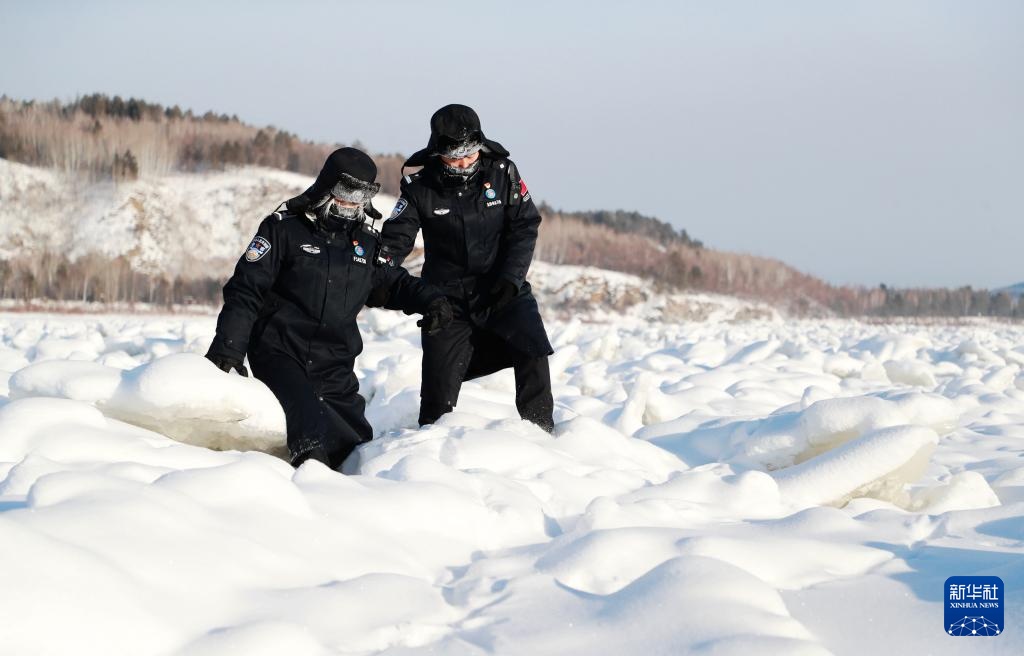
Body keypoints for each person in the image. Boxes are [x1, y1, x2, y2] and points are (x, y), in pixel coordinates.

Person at [205, 147, 453, 469]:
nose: (352, 203)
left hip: (334, 362)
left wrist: (432, 301)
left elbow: (392, 283)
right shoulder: (283, 229)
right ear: (327, 186)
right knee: (309, 428)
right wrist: (229, 348)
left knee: (354, 444)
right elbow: (246, 289)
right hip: (281, 351)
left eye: (362, 195)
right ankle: (309, 496)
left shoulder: (365, 243)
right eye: (346, 191)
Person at [380, 104, 554, 431]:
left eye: (470, 154)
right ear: (438, 151)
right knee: (437, 393)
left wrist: (511, 279)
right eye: (454, 157)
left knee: (532, 347)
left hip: (501, 288)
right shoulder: (420, 187)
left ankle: (542, 432)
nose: (463, 163)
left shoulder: (503, 172)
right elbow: (396, 238)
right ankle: (427, 452)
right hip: (446, 298)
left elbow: (525, 225)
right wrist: (380, 268)